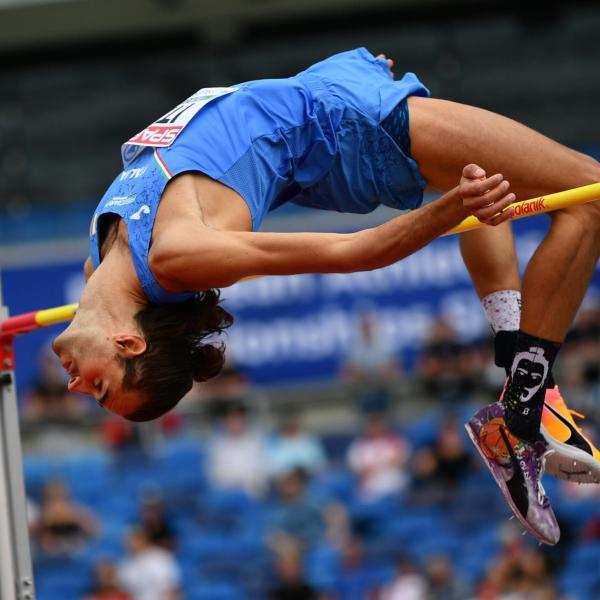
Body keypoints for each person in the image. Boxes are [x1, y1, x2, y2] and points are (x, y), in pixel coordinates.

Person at [50, 48, 600, 543]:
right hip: (340, 127)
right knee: (588, 195)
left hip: (316, 93)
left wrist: (351, 75)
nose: (74, 385)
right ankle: (526, 405)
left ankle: (522, 388)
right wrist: (451, 209)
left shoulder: (100, 264)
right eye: (96, 387)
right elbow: (350, 254)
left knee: (488, 174)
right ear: (128, 343)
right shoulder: (175, 257)